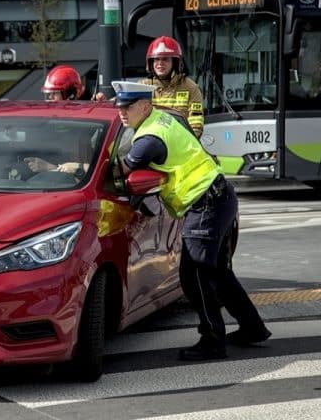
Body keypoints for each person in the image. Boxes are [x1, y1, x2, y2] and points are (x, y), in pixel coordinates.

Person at [112, 80, 270, 361]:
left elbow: (117, 172)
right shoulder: (164, 117)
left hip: (205, 203)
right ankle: (252, 327)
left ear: (145, 105)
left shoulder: (149, 139)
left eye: (128, 106)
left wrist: (71, 168)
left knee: (194, 274)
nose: (122, 112)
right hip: (219, 196)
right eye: (119, 106)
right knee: (218, 272)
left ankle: (212, 340)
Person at [25, 64, 98, 177]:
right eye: (48, 94)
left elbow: (92, 172)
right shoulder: (47, 122)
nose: (49, 99)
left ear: (71, 94)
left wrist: (50, 168)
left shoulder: (92, 124)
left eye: (54, 94)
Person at [140, 36, 205, 138]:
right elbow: (124, 105)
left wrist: (183, 143)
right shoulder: (142, 87)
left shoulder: (191, 88)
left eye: (165, 59)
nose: (160, 63)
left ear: (175, 63)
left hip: (180, 144)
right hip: (149, 143)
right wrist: (105, 100)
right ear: (151, 63)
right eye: (156, 59)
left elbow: (196, 125)